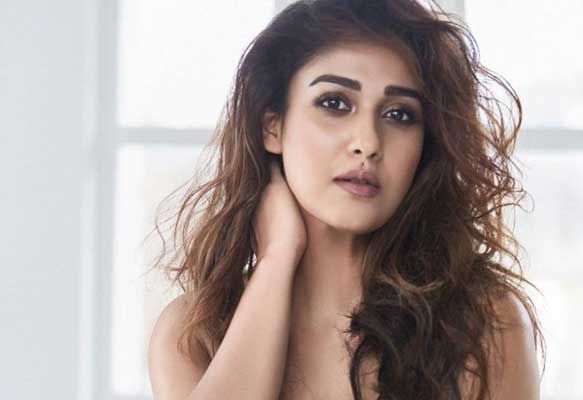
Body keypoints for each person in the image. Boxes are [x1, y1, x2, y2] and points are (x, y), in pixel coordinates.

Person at [147, 0, 546, 399]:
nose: (368, 143)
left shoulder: (483, 324)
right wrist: (277, 257)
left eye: (399, 115)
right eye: (335, 103)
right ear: (273, 127)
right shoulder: (194, 333)